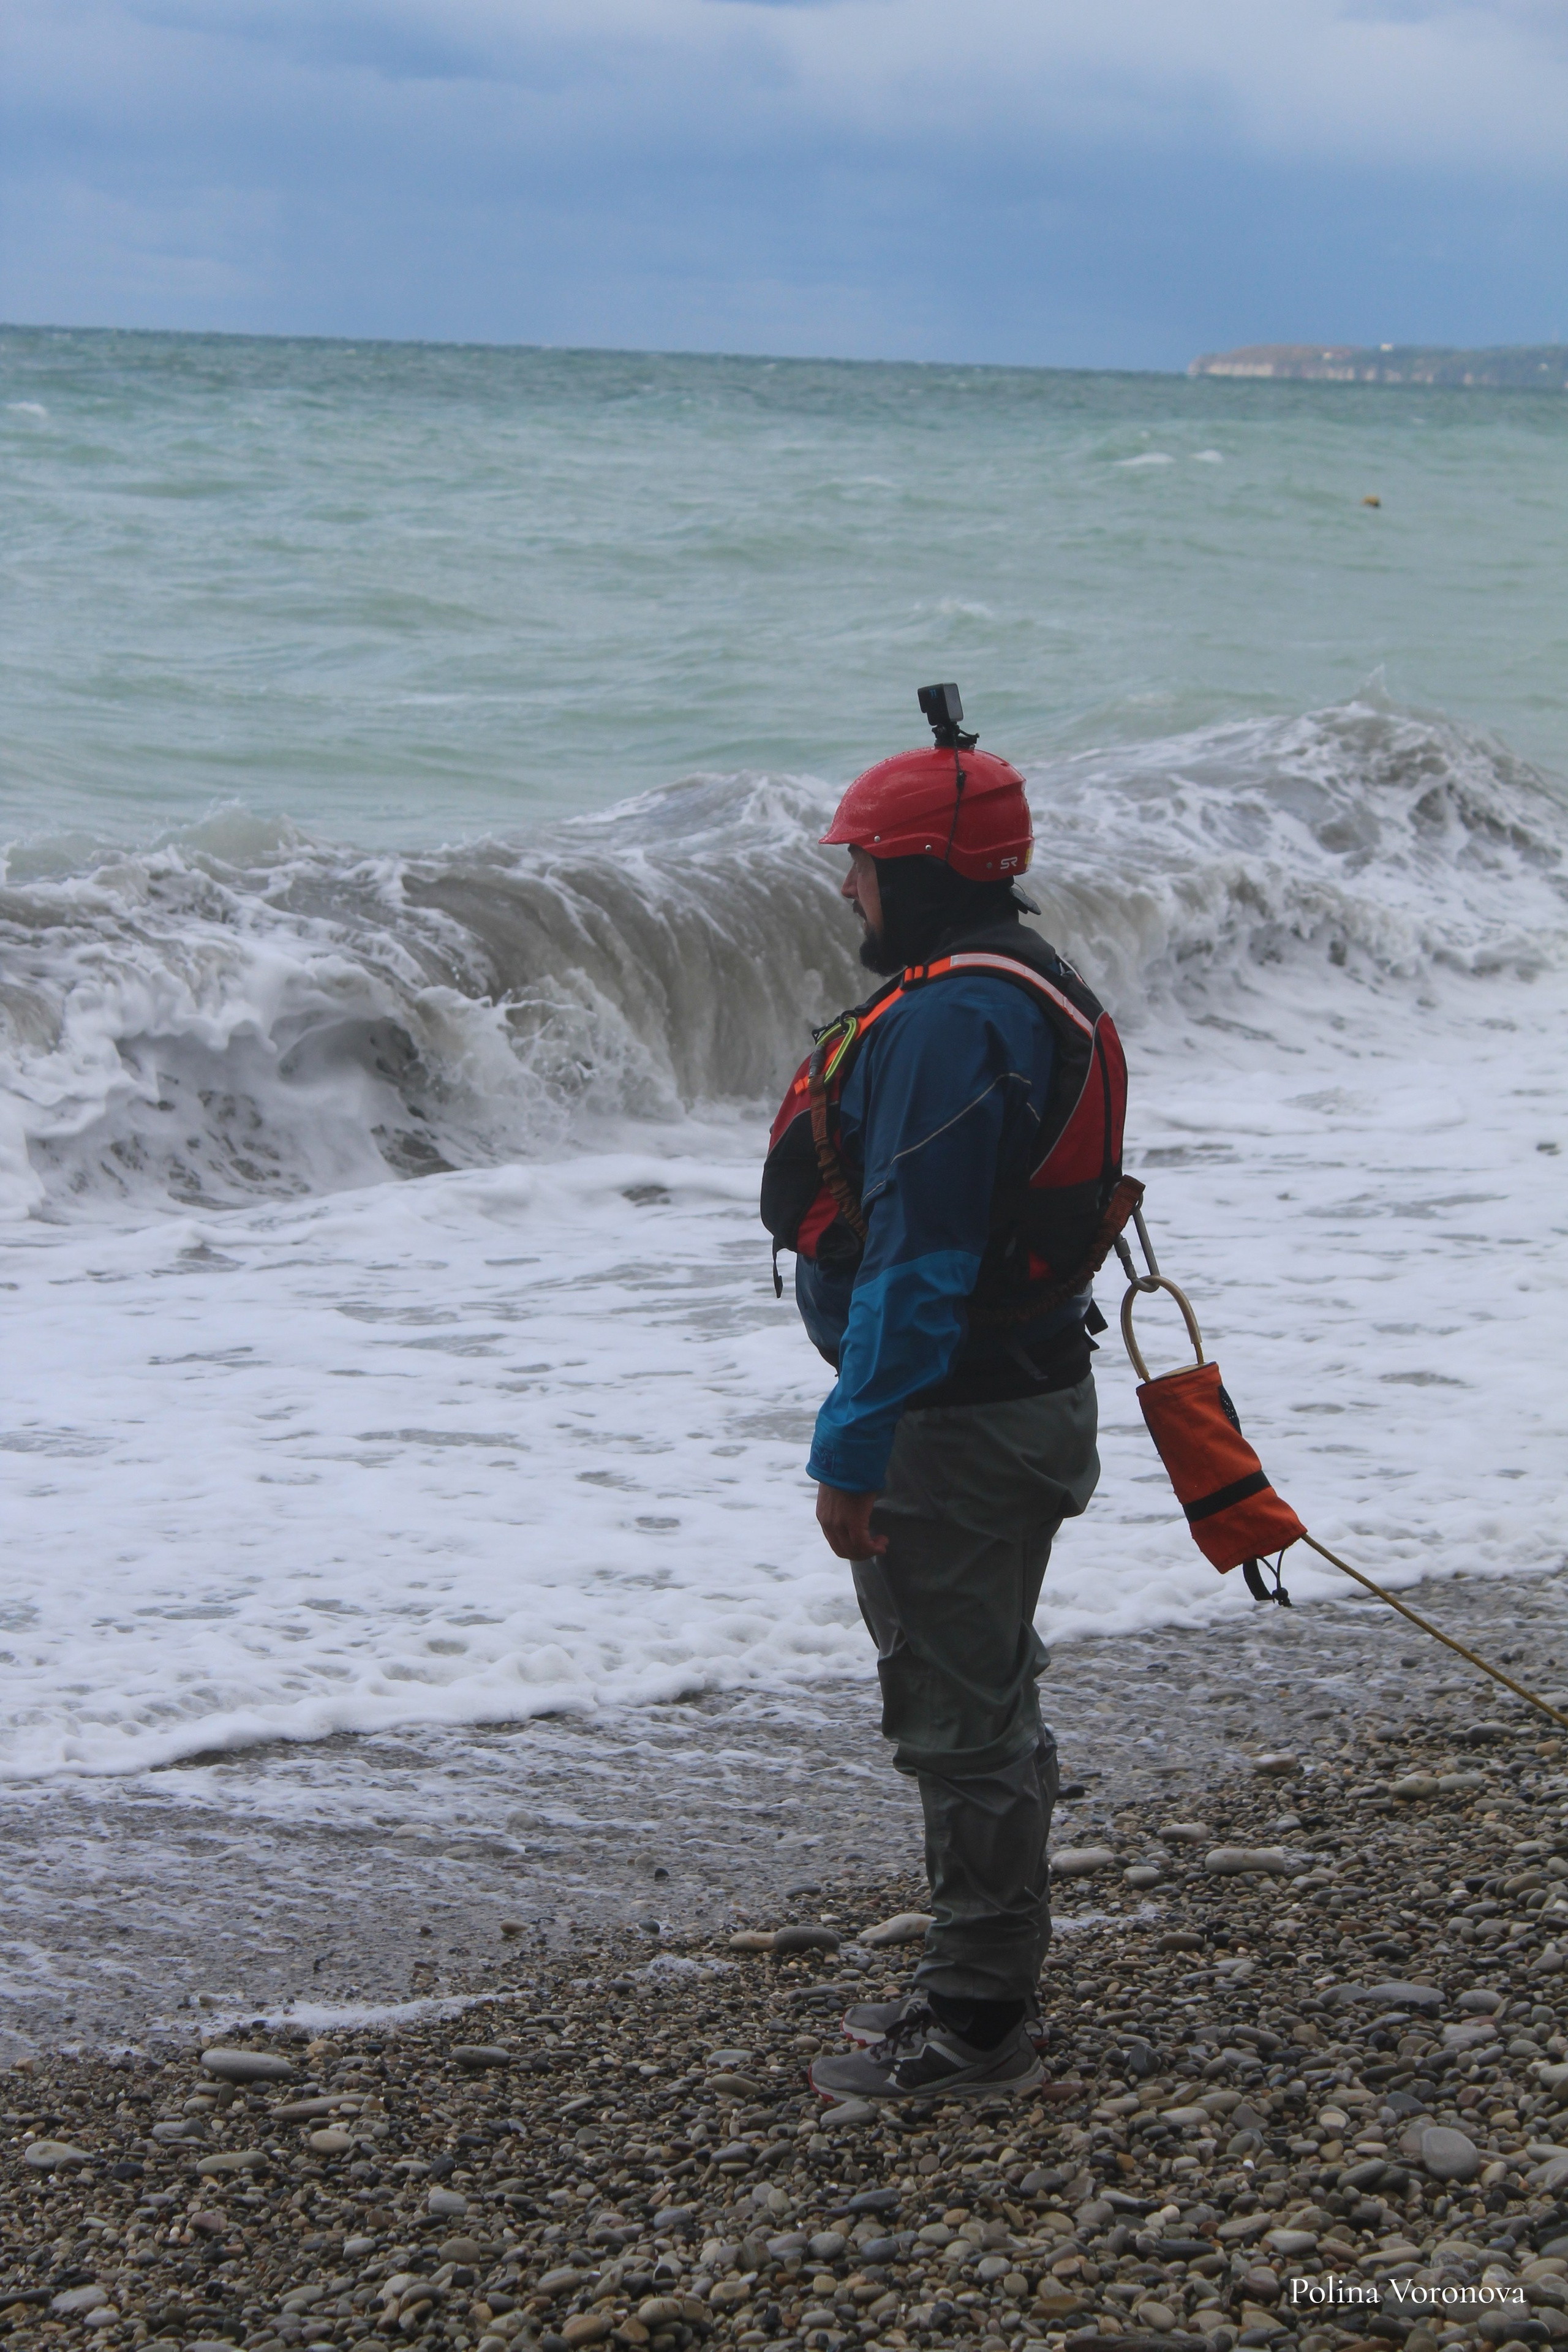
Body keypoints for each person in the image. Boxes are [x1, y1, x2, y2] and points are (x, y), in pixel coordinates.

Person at [761, 684, 1133, 2101]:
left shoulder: (944, 1026)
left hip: (954, 1428)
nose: (847, 887)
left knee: (956, 1715)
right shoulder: (1028, 990)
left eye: (856, 862)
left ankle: (977, 2025)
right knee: (986, 1693)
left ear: (916, 871)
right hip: (1013, 1400)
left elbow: (916, 1274)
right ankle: (976, 1979)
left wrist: (848, 1451)